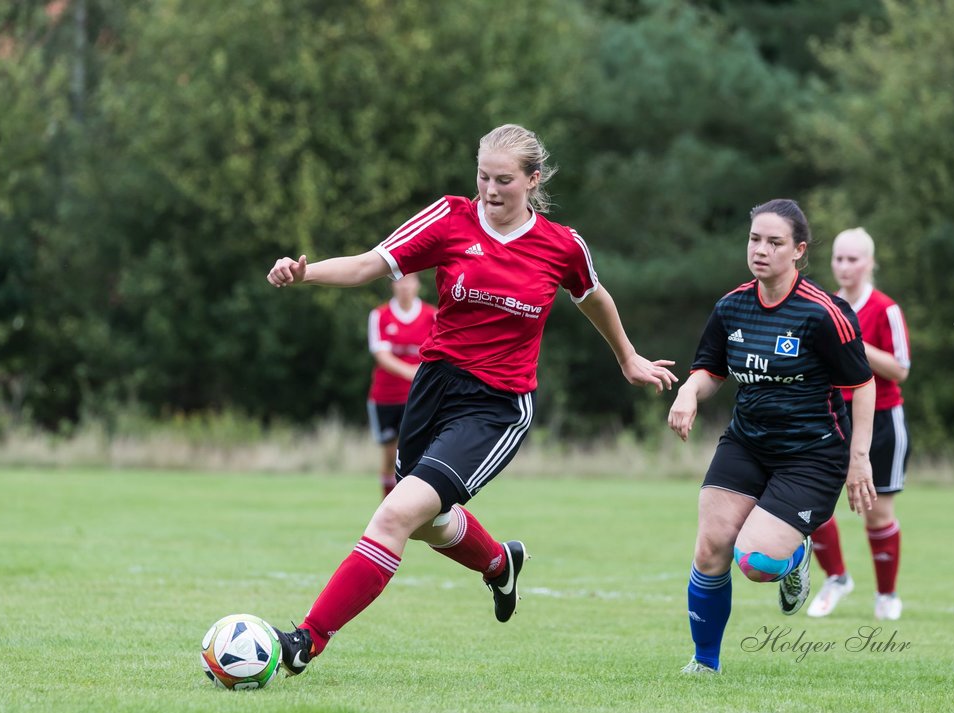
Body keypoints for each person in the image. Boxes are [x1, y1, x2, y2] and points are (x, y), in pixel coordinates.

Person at [265, 123, 678, 675]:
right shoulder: (449, 218)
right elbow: (369, 264)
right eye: (482, 175)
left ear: (532, 180)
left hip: (497, 406)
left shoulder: (561, 245)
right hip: (433, 388)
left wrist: (627, 356)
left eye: (503, 179)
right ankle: (499, 561)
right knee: (426, 522)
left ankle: (305, 641)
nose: (489, 189)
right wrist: (305, 272)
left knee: (394, 514)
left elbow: (593, 296)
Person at [668, 199, 876, 676]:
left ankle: (797, 557)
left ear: (798, 251)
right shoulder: (731, 306)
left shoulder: (824, 313)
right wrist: (689, 393)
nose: (761, 250)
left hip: (812, 455)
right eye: (755, 239)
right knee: (711, 546)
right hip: (747, 443)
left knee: (757, 562)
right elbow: (710, 370)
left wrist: (858, 459)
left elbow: (863, 385)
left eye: (774, 242)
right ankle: (705, 663)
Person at [805, 228, 911, 621]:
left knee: (877, 513)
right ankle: (836, 578)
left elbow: (900, 369)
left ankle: (886, 594)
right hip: (831, 416)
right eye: (838, 259)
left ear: (870, 263)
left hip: (882, 419)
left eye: (853, 259)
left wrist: (856, 344)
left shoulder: (886, 309)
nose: (845, 267)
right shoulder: (824, 306)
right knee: (811, 505)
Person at [366, 271, 436, 498]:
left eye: (410, 281)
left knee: (417, 455)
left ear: (417, 285)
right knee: (389, 456)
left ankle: (415, 507)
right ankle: (387, 507)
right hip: (385, 398)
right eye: (400, 281)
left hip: (419, 398)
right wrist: (411, 372)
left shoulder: (431, 316)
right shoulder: (380, 315)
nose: (405, 286)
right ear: (392, 286)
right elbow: (382, 356)